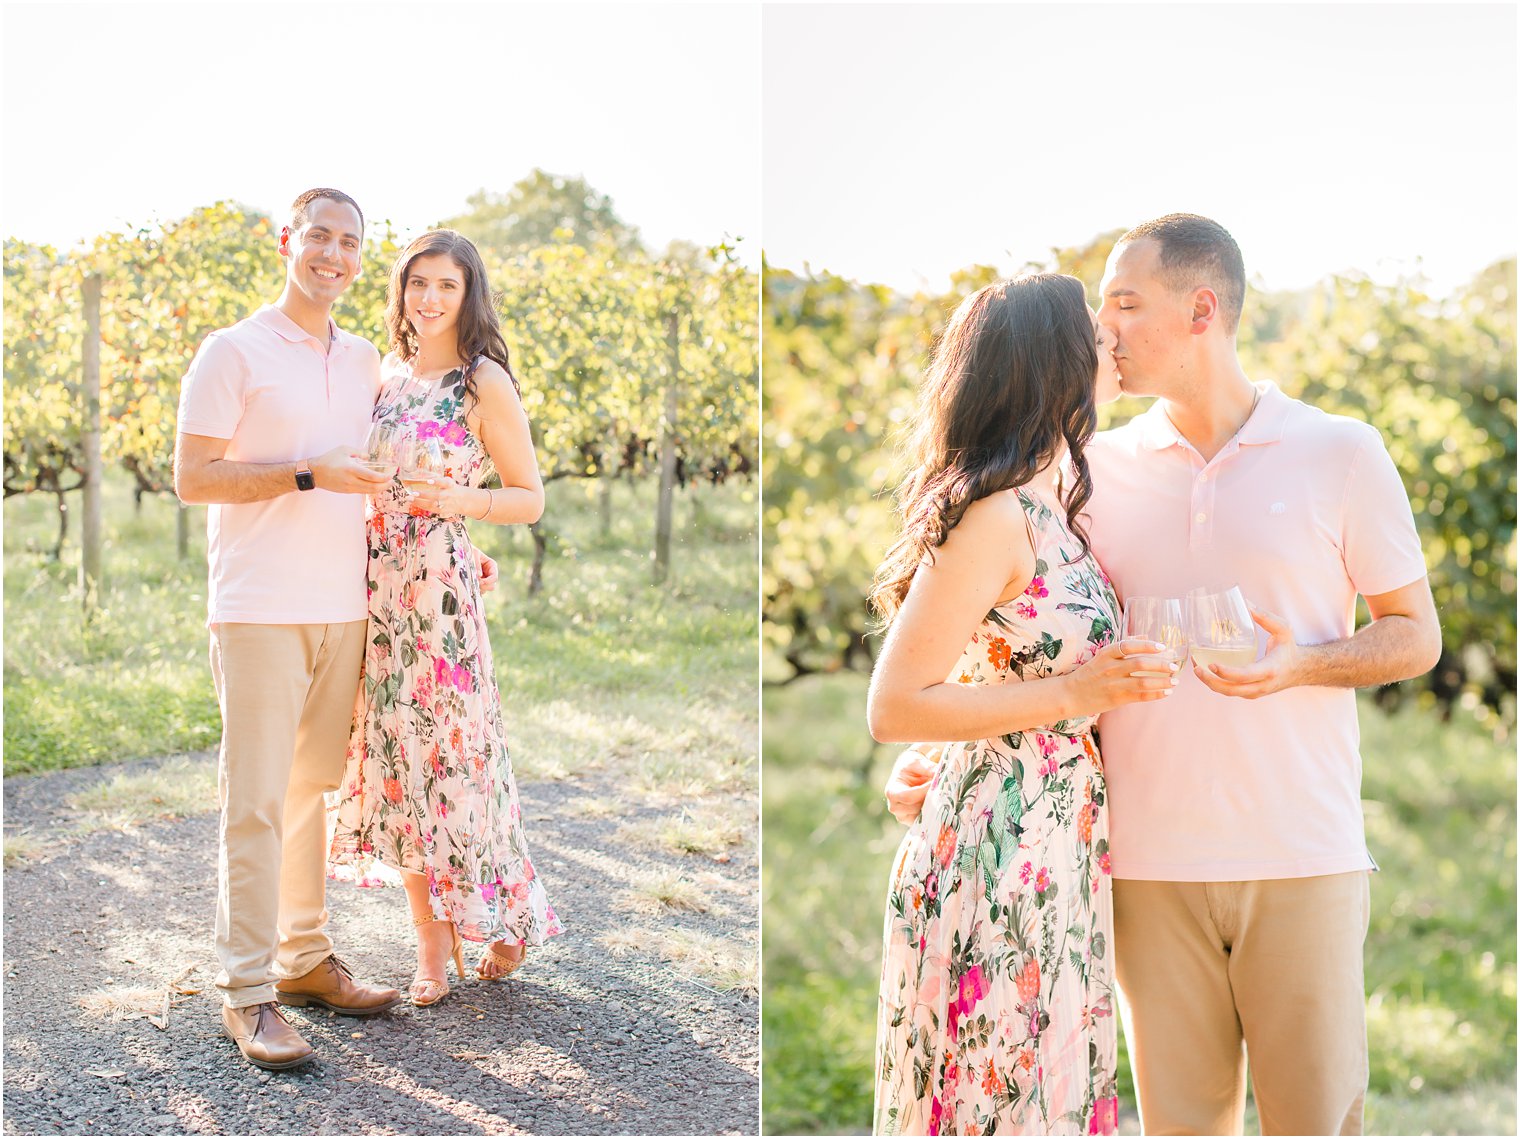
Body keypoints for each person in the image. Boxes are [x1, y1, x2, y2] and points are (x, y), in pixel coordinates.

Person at [885, 214, 1441, 1135]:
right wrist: (935, 760)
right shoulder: (1088, 474)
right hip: (1138, 864)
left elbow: (1415, 636)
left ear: (1202, 309)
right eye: (1099, 306)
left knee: (1318, 1120)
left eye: (1126, 303)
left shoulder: (1342, 452)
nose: (1104, 328)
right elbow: (1009, 631)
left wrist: (1301, 661)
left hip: (1300, 854)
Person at [866, 273, 1180, 1136]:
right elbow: (893, 704)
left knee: (1044, 1088)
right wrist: (1076, 692)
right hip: (999, 840)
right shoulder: (995, 517)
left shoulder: (1059, 507)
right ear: (1052, 361)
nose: (1112, 342)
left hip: (1061, 832)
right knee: (997, 1092)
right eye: (1093, 331)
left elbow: (986, 674)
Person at [175, 188, 403, 1071]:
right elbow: (194, 477)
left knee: (311, 789)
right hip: (259, 606)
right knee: (257, 799)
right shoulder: (230, 351)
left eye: (350, 243)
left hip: (343, 603)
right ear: (286, 242)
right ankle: (245, 990)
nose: (334, 256)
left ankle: (304, 957)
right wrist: (307, 471)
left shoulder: (363, 359)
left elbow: (372, 480)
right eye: (319, 236)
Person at [328, 229, 562, 1009]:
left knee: (461, 764)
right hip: (381, 591)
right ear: (400, 290)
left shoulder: (480, 380)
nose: (428, 298)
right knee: (399, 771)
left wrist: (463, 506)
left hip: (442, 592)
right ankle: (432, 944)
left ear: (470, 295)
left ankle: (507, 914)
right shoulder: (385, 376)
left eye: (446, 286)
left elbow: (530, 498)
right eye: (417, 283)